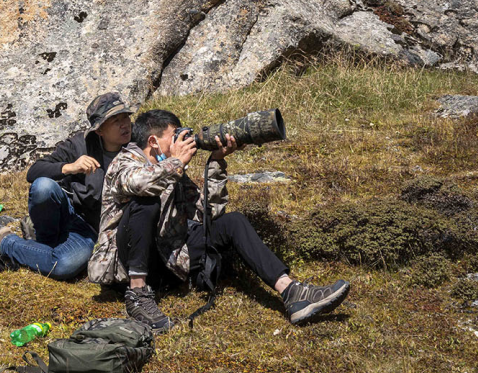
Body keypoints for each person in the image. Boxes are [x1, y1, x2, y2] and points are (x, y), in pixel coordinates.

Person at [90, 109, 350, 331]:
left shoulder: (170, 166)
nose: (184, 140)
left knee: (233, 222)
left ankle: (291, 292)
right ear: (153, 141)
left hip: (167, 259)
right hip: (125, 264)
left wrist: (216, 162)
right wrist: (176, 161)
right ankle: (137, 295)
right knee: (144, 202)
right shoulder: (125, 161)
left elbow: (207, 215)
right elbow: (138, 184)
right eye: (176, 135)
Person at [0, 92, 133, 281]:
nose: (124, 124)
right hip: (71, 214)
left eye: (126, 117)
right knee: (43, 187)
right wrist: (70, 167)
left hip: (92, 230)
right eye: (116, 121)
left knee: (63, 266)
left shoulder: (139, 142)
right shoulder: (80, 144)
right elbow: (34, 171)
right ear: (99, 130)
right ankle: (40, 243)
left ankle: (12, 244)